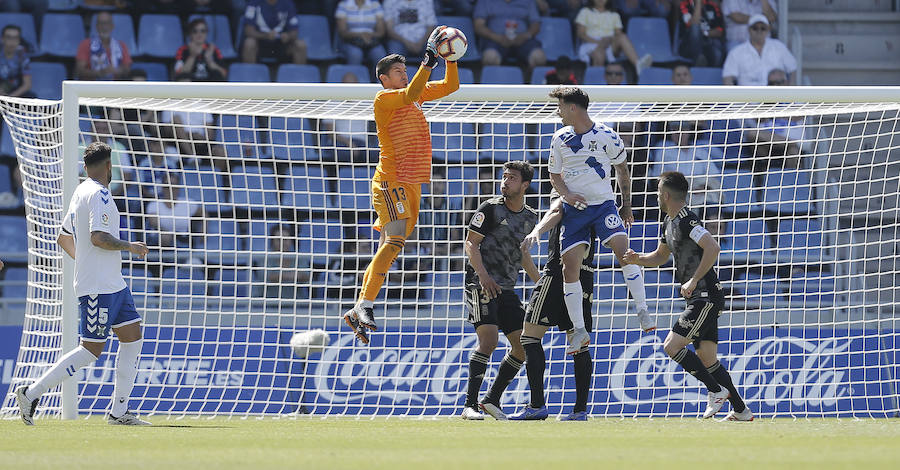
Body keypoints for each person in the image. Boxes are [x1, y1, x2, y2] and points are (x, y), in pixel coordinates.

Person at [15, 142, 151, 426]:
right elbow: (98, 238)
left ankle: (119, 412)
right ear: (109, 165)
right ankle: (31, 392)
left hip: (113, 284)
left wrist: (85, 262)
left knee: (133, 338)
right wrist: (131, 247)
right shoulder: (99, 193)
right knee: (91, 350)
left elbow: (63, 237)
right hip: (99, 287)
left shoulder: (80, 191)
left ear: (86, 166)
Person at [342, 27, 460, 344]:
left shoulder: (416, 91)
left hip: (414, 182)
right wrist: (428, 63)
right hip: (392, 178)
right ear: (383, 78)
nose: (404, 75)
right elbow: (408, 94)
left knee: (391, 246)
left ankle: (359, 308)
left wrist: (450, 58)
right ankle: (364, 305)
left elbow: (452, 86)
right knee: (394, 241)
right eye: (398, 71)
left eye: (406, 70)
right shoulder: (384, 99)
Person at [623, 171, 753, 421]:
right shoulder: (669, 221)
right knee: (708, 359)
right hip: (700, 297)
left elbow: (712, 247)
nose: (657, 195)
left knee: (671, 346)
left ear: (666, 194)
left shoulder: (686, 220)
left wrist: (693, 280)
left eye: (659, 191)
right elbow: (661, 256)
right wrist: (637, 258)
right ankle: (741, 410)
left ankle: (715, 390)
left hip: (705, 296)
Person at [547, 86, 654, 356]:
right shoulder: (559, 138)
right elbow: (554, 175)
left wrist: (626, 205)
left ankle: (643, 310)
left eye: (560, 106)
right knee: (568, 269)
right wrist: (567, 195)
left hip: (604, 206)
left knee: (625, 252)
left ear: (573, 107)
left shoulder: (608, 135)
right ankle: (580, 331)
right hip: (575, 211)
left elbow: (622, 170)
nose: (557, 112)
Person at [460, 161, 539, 420]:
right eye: (504, 177)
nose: (505, 182)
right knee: (490, 341)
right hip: (480, 282)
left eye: (512, 178)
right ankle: (469, 405)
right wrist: (483, 276)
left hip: (506, 288)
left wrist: (541, 283)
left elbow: (523, 255)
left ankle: (491, 399)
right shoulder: (490, 209)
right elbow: (471, 244)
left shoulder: (531, 218)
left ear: (525, 185)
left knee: (522, 347)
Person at [512, 197, 595, 421]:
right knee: (579, 342)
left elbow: (556, 210)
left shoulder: (565, 196)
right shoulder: (595, 199)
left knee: (529, 337)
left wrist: (536, 231)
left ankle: (537, 405)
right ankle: (580, 411)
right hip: (585, 277)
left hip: (558, 273)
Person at [574, 0, 651, 75]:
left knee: (622, 37)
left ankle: (638, 64)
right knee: (599, 54)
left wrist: (608, 40)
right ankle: (597, 81)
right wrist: (599, 42)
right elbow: (581, 34)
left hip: (609, 43)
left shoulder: (614, 14)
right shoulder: (585, 12)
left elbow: (618, 33)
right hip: (590, 44)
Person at [722, 14, 796, 86]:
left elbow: (793, 69)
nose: (759, 31)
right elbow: (728, 77)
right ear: (749, 30)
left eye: (763, 28)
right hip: (749, 95)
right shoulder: (736, 52)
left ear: (768, 30)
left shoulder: (779, 46)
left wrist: (791, 90)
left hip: (776, 95)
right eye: (755, 28)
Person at [473, 0, 546, 69]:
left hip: (523, 40)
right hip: (495, 40)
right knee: (490, 57)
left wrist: (525, 36)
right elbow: (478, 26)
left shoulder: (528, 1)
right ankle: (494, 80)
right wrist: (497, 37)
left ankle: (530, 79)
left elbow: (536, 24)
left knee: (539, 57)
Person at [241, 0, 307, 64]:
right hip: (260, 44)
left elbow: (295, 31)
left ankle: (299, 75)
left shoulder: (288, 3)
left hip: (282, 45)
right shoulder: (254, 2)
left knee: (301, 45)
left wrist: (288, 36)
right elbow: (248, 31)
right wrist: (265, 36)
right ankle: (249, 74)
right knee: (249, 43)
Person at [75, 12, 132, 81]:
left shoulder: (121, 45)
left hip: (115, 88)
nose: (104, 27)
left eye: (107, 23)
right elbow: (80, 70)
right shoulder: (85, 44)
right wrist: (100, 73)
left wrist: (115, 71)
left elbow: (127, 69)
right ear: (96, 26)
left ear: (112, 26)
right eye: (101, 23)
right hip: (91, 87)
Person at [335, 0, 388, 66]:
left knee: (380, 54)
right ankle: (354, 75)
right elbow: (342, 32)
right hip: (350, 40)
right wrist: (360, 35)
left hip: (371, 40)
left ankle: (376, 76)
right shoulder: (343, 5)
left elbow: (381, 31)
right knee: (355, 54)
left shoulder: (375, 4)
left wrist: (369, 36)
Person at [677, 0, 726, 67]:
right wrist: (698, 3)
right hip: (688, 44)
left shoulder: (712, 6)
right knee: (695, 29)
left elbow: (719, 31)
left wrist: (704, 33)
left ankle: (708, 71)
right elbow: (694, 24)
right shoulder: (684, 5)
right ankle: (699, 58)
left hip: (708, 42)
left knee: (717, 52)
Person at [0, 25, 32, 97]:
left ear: (19, 40)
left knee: (31, 96)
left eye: (15, 38)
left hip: (14, 91)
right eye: (8, 37)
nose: (12, 41)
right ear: (2, 39)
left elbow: (27, 85)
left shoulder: (22, 54)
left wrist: (9, 99)